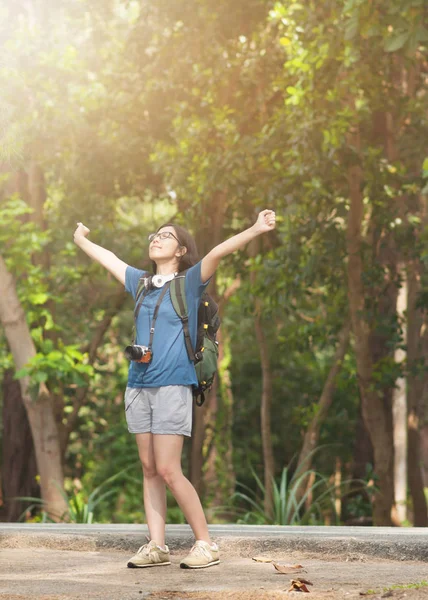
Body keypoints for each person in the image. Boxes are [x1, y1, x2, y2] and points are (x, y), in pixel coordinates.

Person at [73, 209, 276, 569]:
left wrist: (256, 228)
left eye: (166, 236)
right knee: (149, 468)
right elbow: (110, 259)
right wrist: (81, 239)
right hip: (138, 384)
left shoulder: (189, 283)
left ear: (181, 250)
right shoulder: (139, 282)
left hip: (172, 385)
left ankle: (205, 544)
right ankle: (157, 546)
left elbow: (217, 252)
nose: (157, 238)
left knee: (168, 469)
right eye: (155, 234)